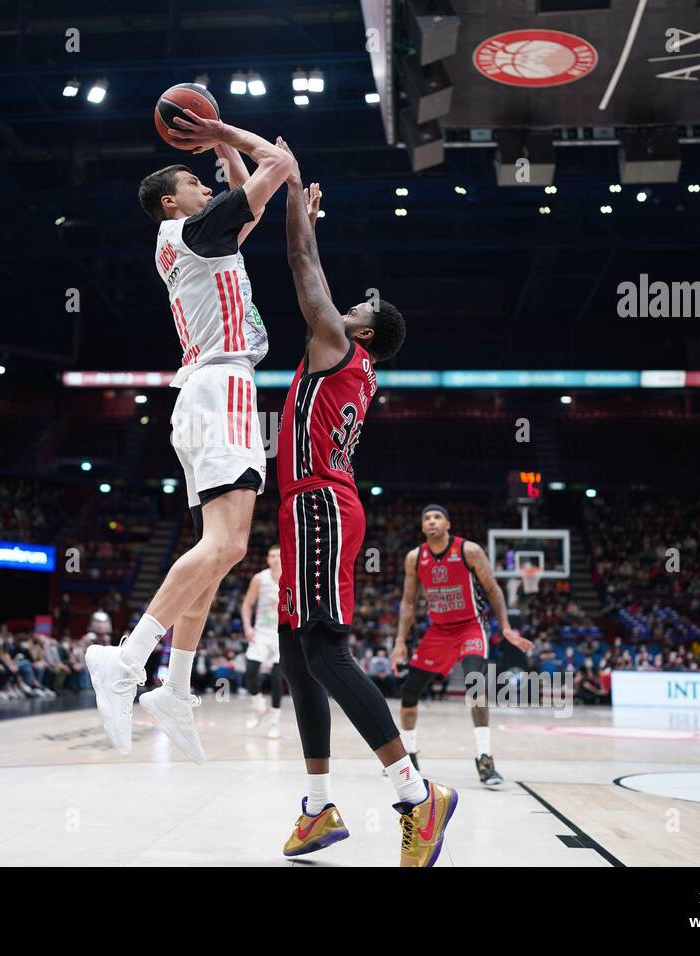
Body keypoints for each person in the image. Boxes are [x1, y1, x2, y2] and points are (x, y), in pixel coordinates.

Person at [85, 107, 296, 762]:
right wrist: (223, 132)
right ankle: (127, 659)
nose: (208, 187)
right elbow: (279, 166)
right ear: (171, 201)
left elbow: (250, 205)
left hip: (207, 393)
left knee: (219, 549)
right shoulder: (194, 231)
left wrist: (225, 157)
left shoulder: (198, 239)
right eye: (195, 183)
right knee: (228, 545)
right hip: (221, 389)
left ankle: (174, 687)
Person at [270, 144, 451, 867]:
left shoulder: (339, 345)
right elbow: (310, 274)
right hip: (309, 504)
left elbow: (300, 267)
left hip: (320, 503)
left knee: (324, 650)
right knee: (295, 654)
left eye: (358, 309)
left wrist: (293, 199)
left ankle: (416, 794)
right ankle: (318, 808)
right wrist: (299, 218)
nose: (347, 306)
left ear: (365, 330)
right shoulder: (345, 355)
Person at [390, 505, 535, 787]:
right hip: (438, 630)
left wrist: (506, 626)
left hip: (471, 626)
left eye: (437, 517)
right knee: (409, 691)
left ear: (448, 524)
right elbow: (408, 603)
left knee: (474, 685)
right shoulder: (414, 557)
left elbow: (493, 589)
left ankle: (485, 759)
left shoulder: (469, 551)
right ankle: (409, 756)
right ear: (422, 527)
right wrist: (399, 642)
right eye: (426, 518)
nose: (432, 522)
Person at [240, 544, 284, 738]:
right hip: (261, 633)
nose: (276, 559)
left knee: (277, 678)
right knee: (250, 672)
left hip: (282, 635)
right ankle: (259, 706)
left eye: (279, 556)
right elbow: (247, 605)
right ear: (267, 559)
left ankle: (274, 723)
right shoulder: (259, 578)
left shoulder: (291, 578)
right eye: (272, 556)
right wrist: (247, 627)